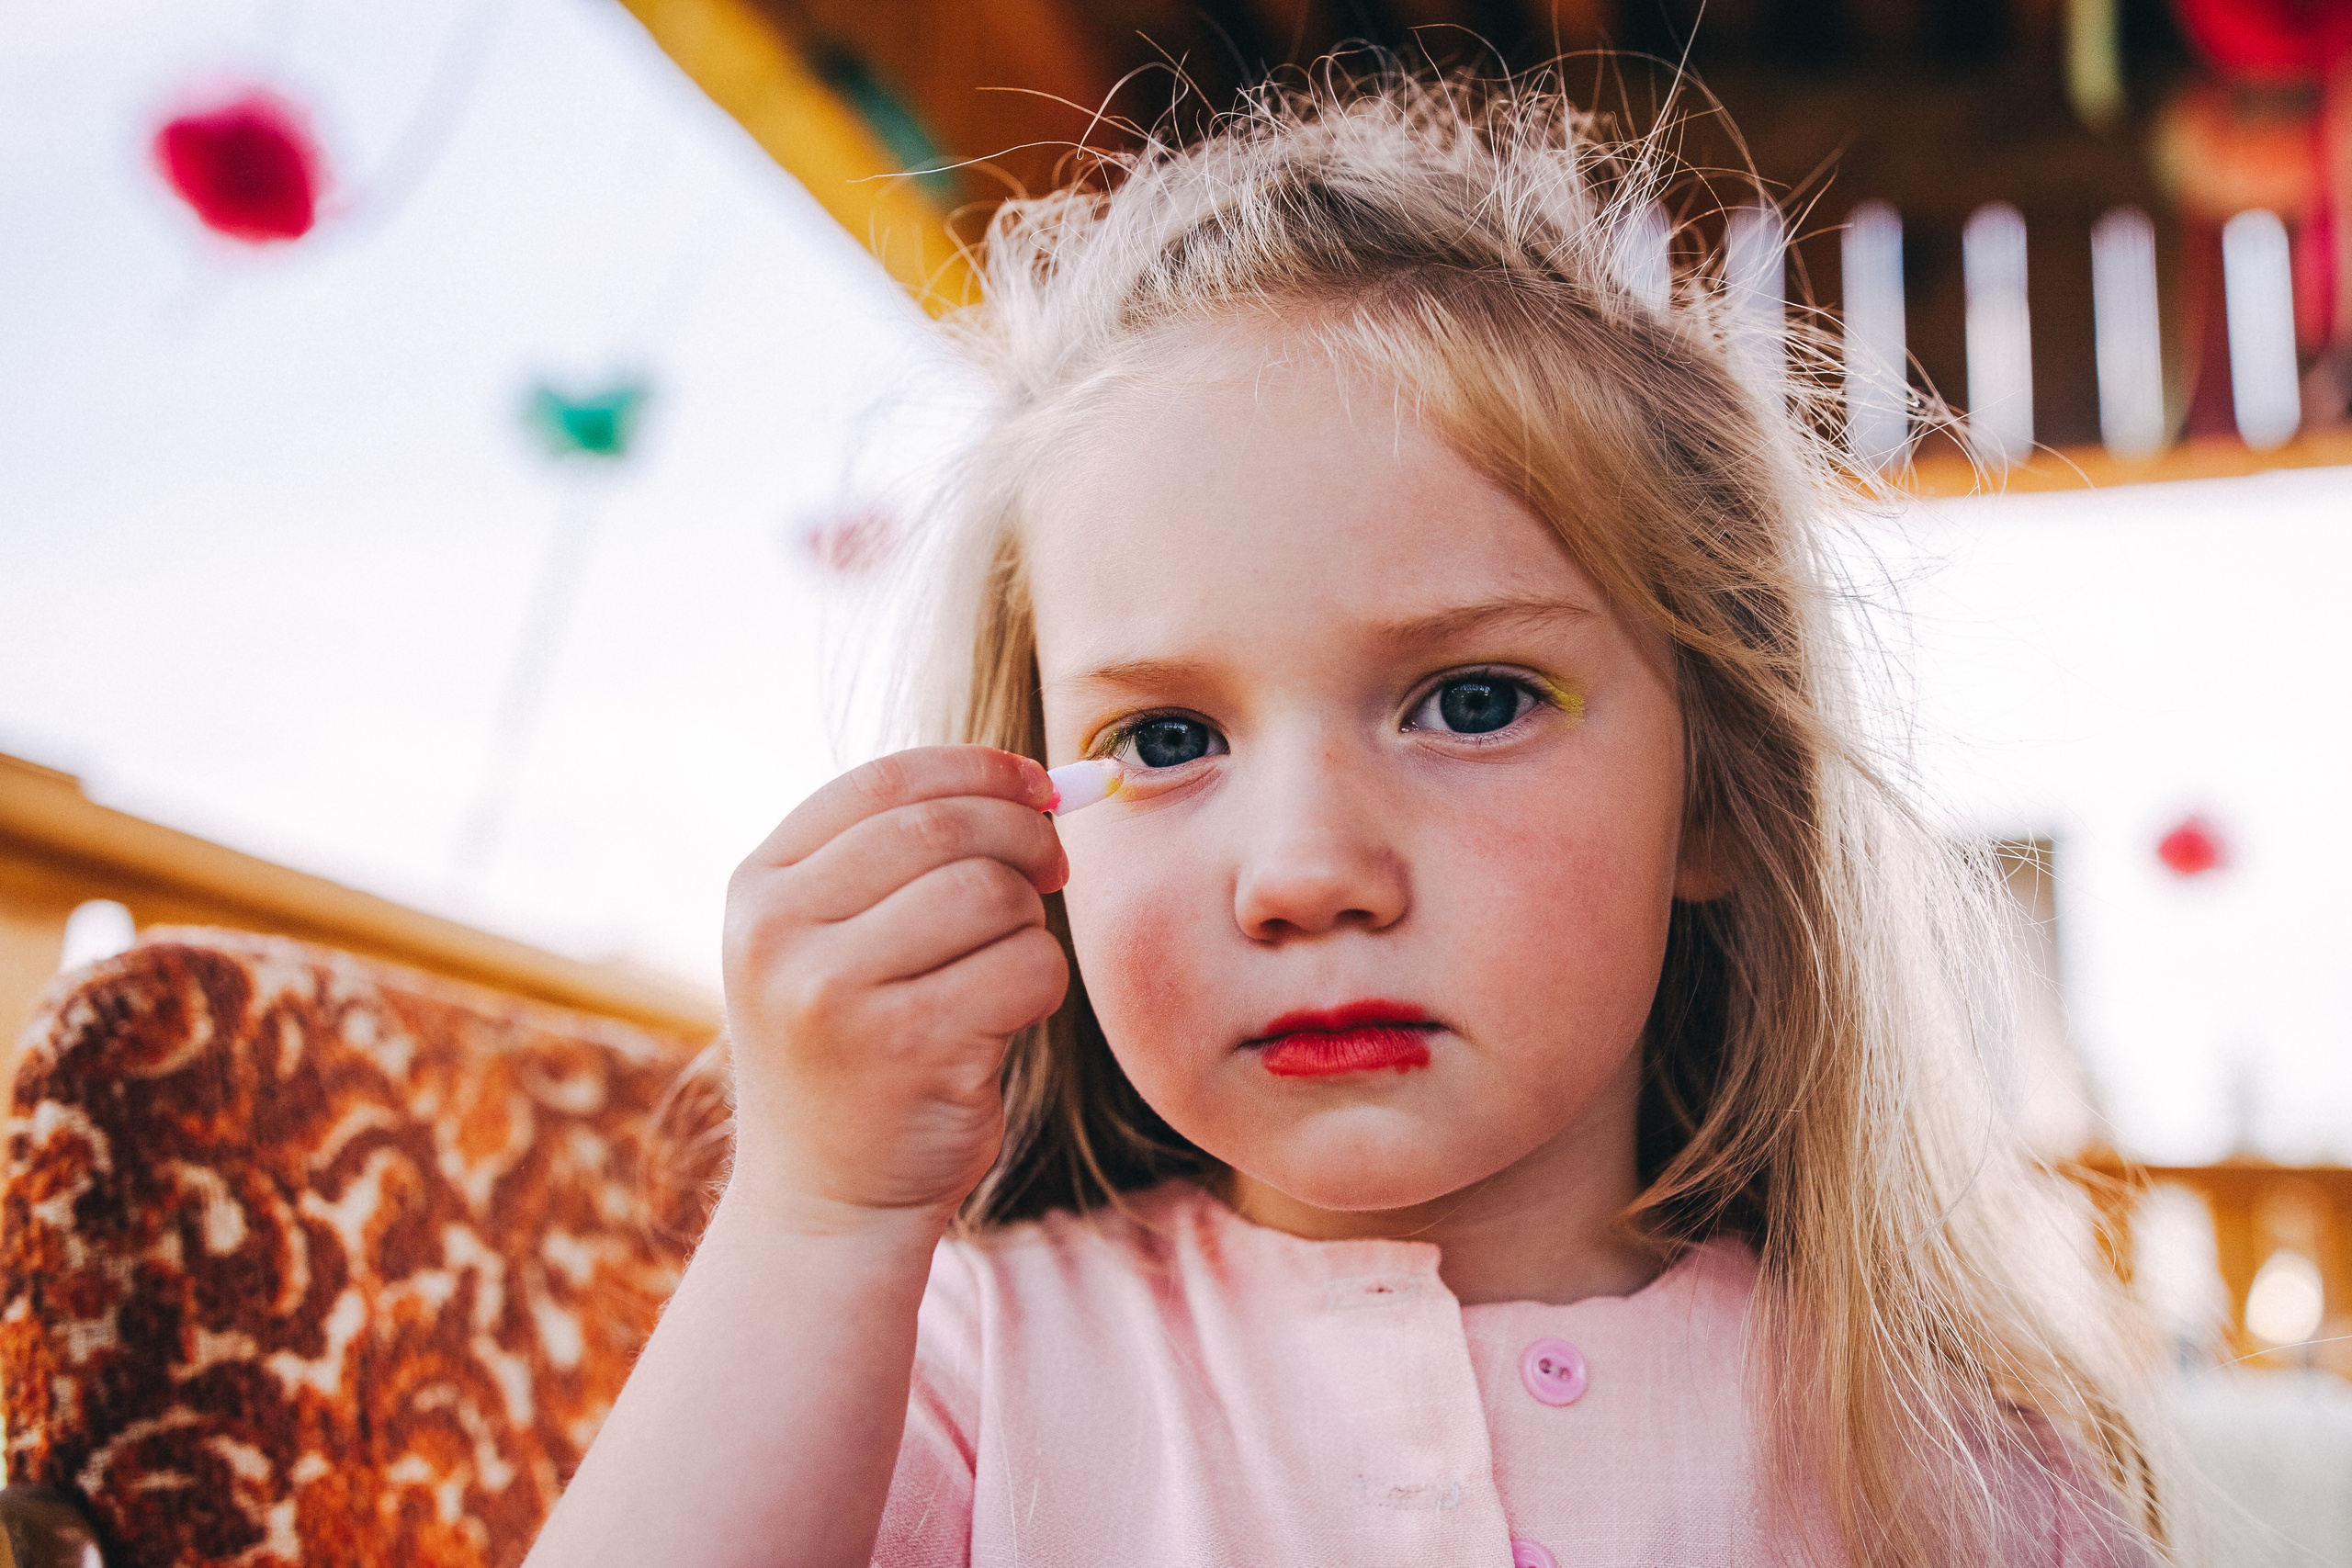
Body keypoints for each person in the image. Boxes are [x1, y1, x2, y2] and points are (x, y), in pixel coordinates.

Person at [526, 66, 2175, 1568]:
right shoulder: (957, 1365)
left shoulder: (1937, 1465)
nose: (1306, 873)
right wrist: (816, 1219)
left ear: (1719, 798)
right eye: (1166, 734)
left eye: (1472, 701)